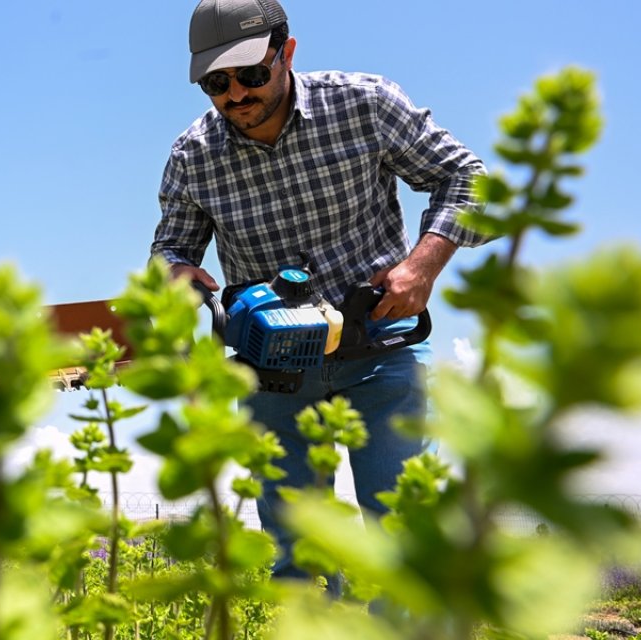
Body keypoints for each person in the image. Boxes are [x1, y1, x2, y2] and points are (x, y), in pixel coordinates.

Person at [150, 0, 492, 581]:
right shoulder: (192, 155)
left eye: (252, 74)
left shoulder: (365, 104)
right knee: (294, 550)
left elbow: (472, 180)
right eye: (215, 83)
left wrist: (423, 267)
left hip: (381, 348)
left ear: (286, 53)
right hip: (272, 367)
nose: (236, 94)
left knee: (405, 534)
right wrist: (176, 273)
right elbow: (170, 250)